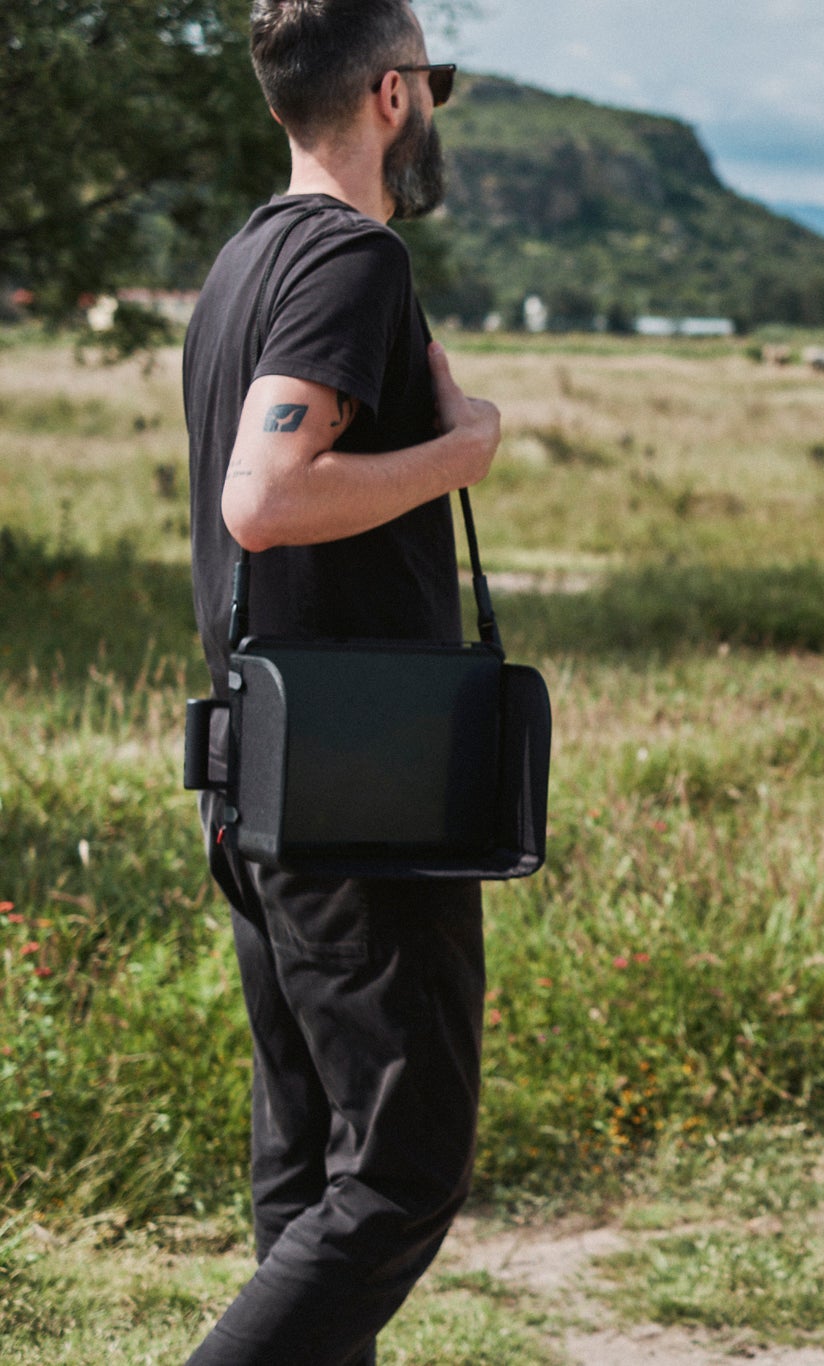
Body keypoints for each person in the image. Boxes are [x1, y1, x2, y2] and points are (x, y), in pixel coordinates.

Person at [179, 2, 501, 1361]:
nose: (432, 103)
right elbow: (265, 497)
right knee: (400, 1171)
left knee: (308, 1166)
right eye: (431, 80)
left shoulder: (241, 261)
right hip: (356, 788)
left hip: (259, 769)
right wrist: (463, 451)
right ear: (390, 95)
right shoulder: (353, 259)